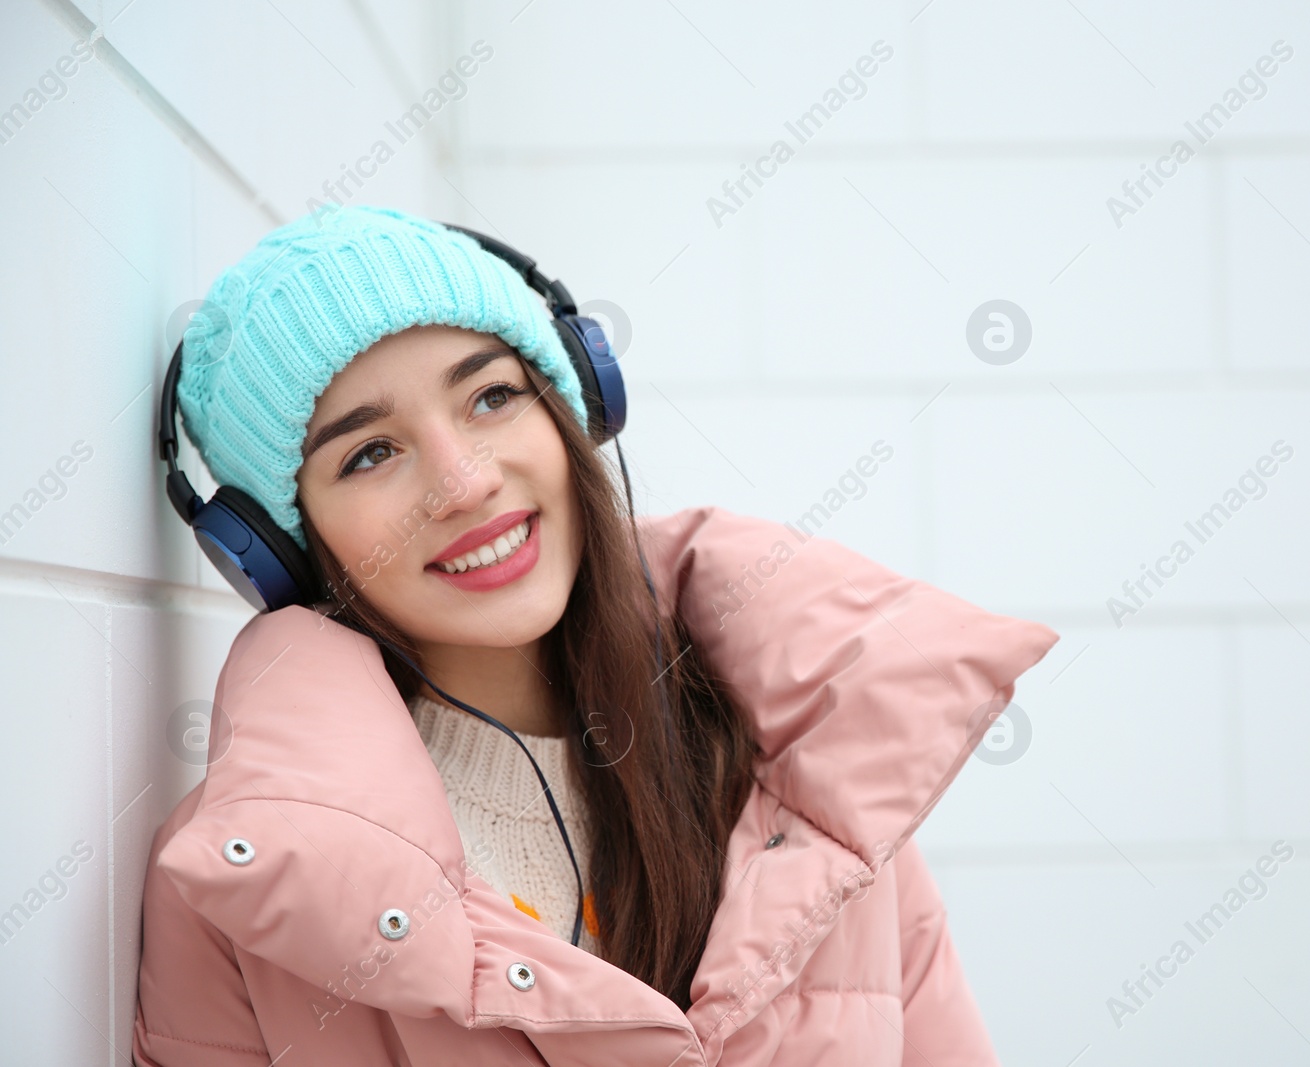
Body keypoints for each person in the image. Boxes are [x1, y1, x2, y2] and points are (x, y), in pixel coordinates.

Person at [131, 204, 1058, 1065]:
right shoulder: (243, 887)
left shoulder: (809, 763)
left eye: (492, 397)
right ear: (280, 552)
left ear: (574, 400)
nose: (464, 482)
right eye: (370, 452)